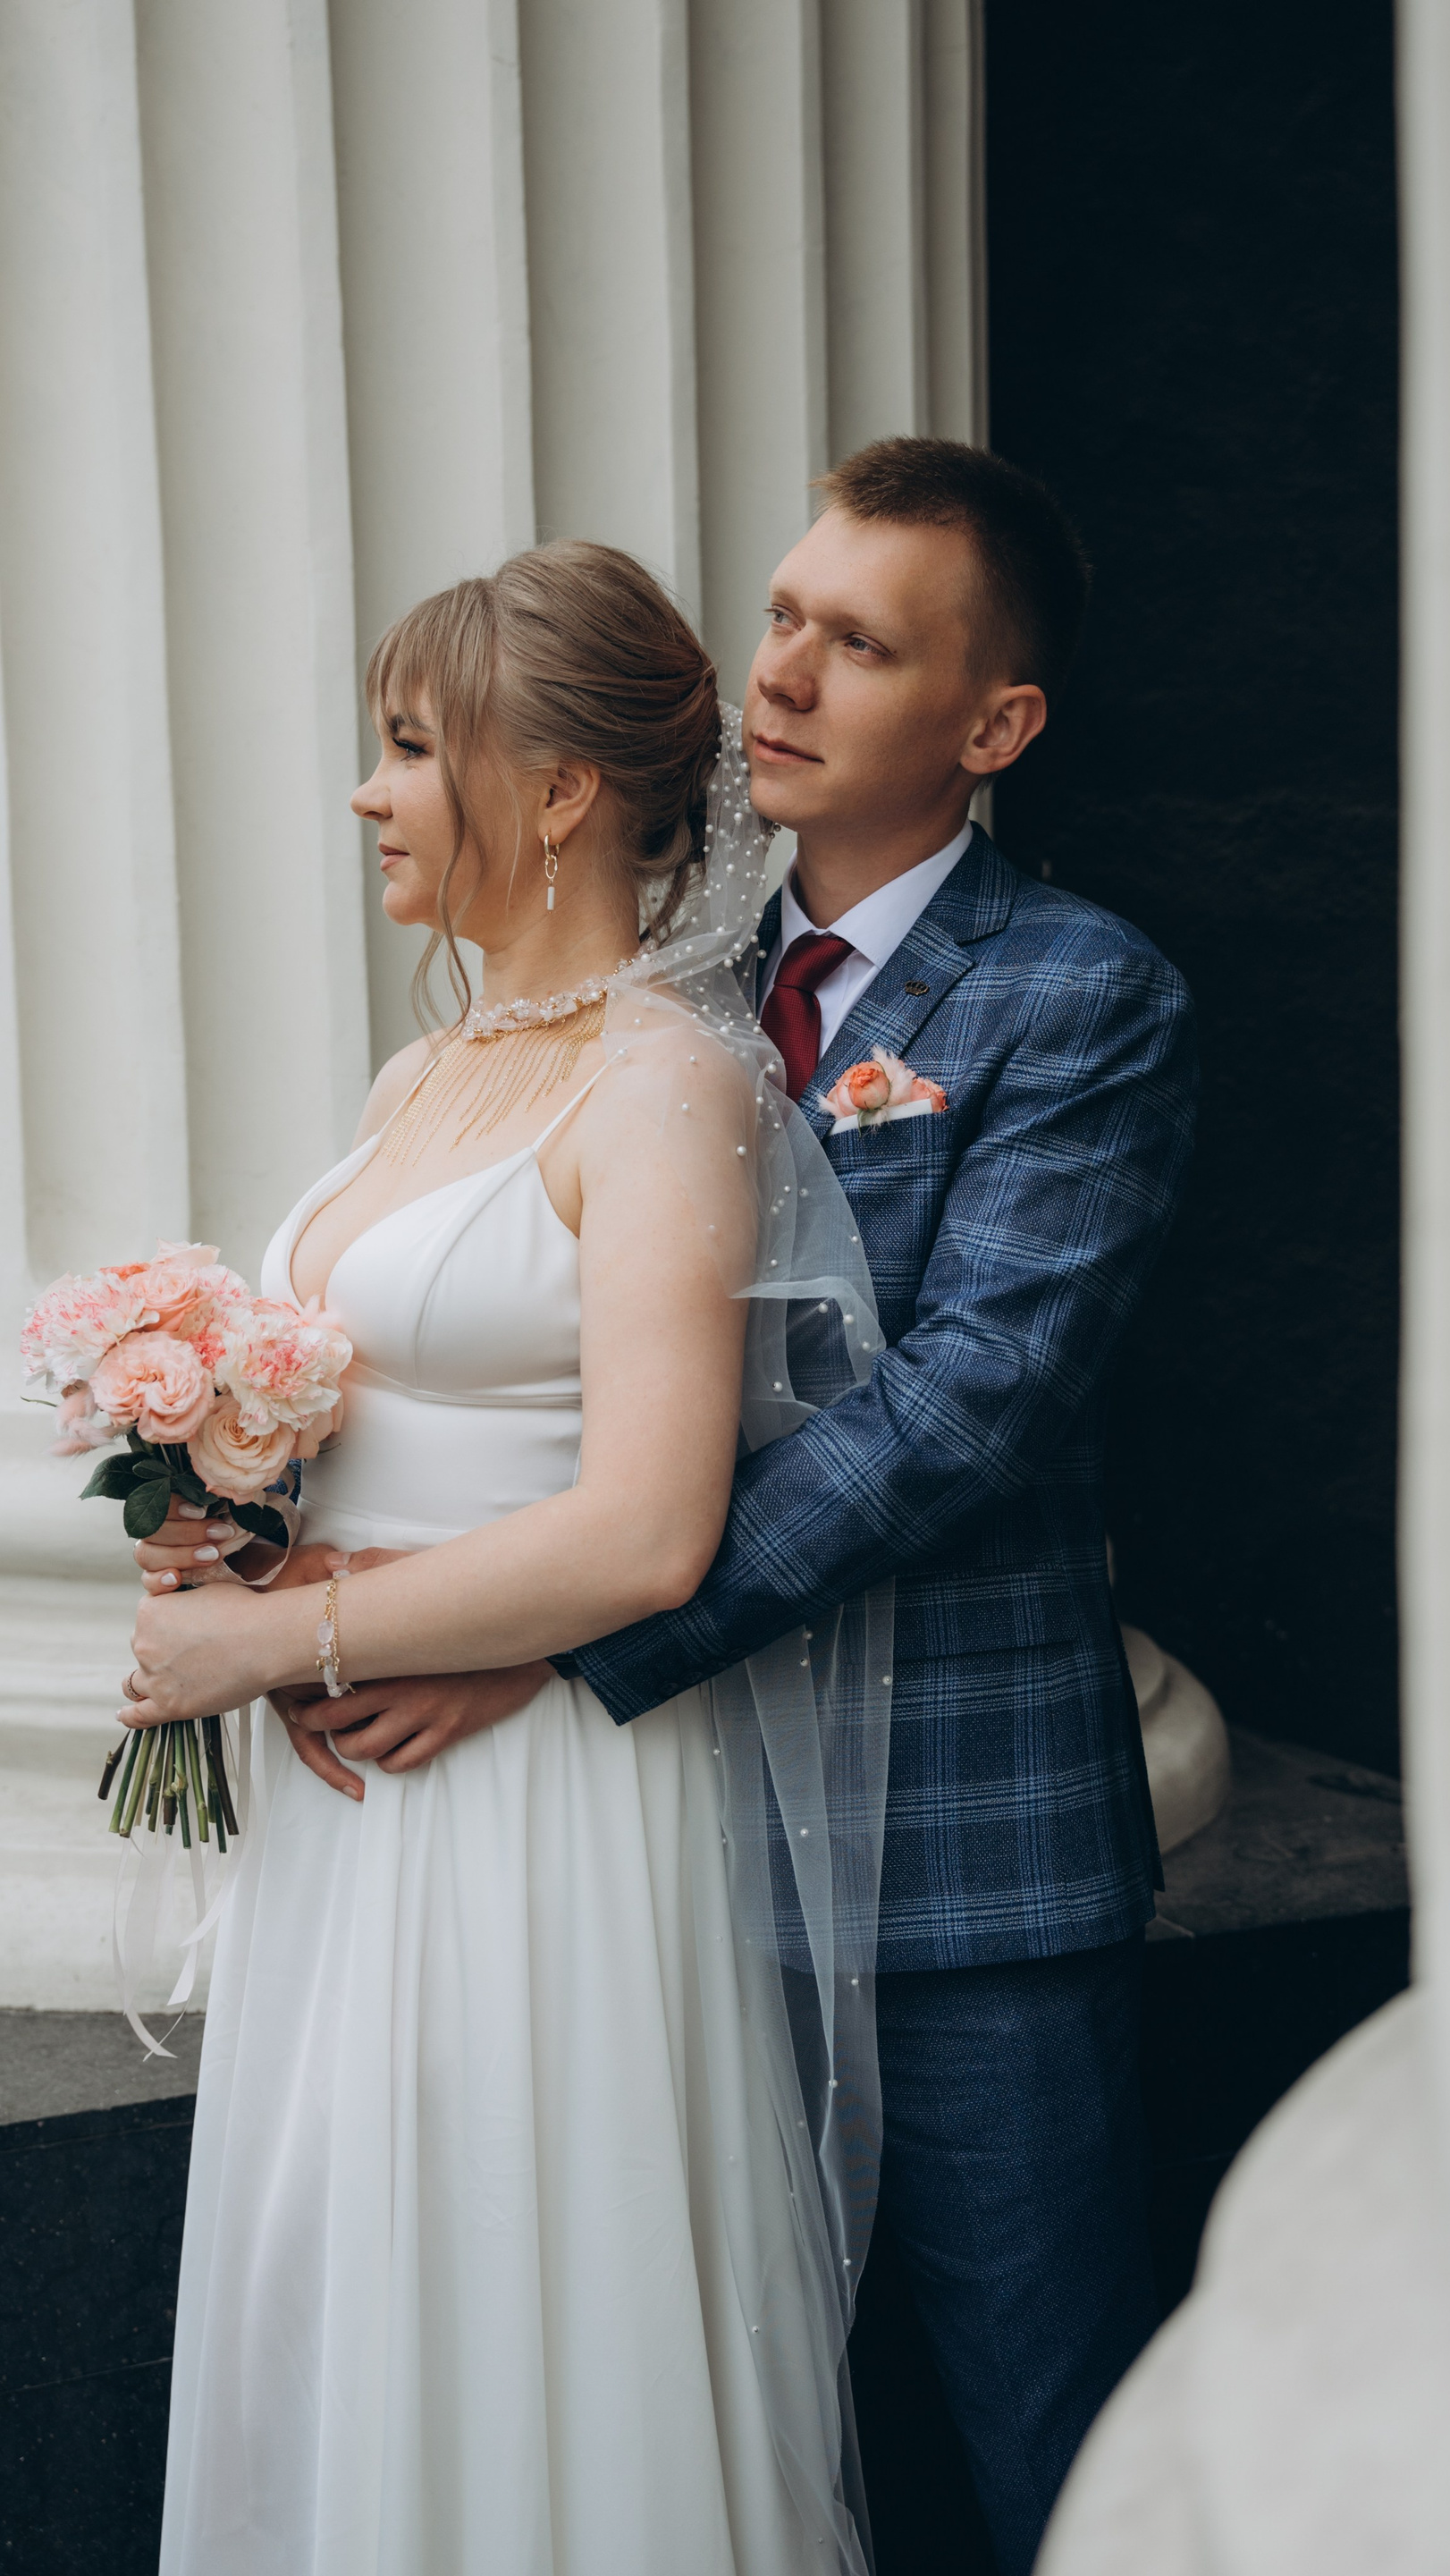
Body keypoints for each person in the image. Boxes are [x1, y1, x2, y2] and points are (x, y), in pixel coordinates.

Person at [162, 436, 1200, 2576]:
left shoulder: (1078, 993)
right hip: (655, 1869)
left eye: (864, 643)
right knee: (707, 2417)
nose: (784, 671)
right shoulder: (661, 995)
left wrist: (558, 1633)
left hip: (955, 1860)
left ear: (995, 724)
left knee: (1050, 2448)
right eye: (787, 614)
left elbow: (970, 1402)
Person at [128, 542, 895, 2575]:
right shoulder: (427, 1074)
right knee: (338, 2274)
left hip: (530, 1797)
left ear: (557, 788)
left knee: (506, 2282)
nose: (369, 792)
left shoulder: (671, 1084)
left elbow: (650, 1525)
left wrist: (270, 1648)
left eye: (409, 746)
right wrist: (230, 1528)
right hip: (351, 1800)